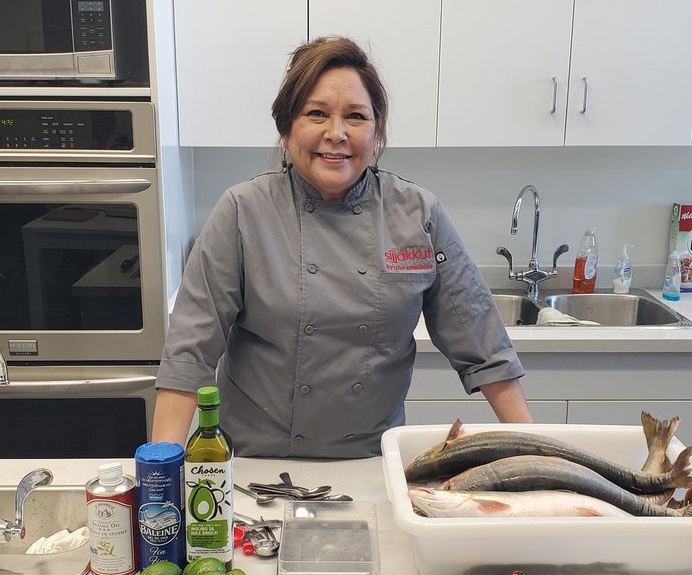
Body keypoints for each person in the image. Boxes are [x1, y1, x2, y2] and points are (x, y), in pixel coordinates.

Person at [152, 36, 531, 457]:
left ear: (376, 132)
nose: (336, 133)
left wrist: (540, 454)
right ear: (285, 128)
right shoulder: (243, 212)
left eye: (355, 116)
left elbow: (482, 343)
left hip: (372, 464)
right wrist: (162, 469)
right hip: (255, 465)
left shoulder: (417, 215)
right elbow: (190, 353)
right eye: (316, 114)